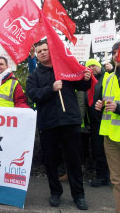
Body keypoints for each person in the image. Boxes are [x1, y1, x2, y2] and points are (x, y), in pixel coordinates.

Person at [26, 41, 91, 210]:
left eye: (45, 49)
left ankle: (79, 195)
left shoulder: (64, 67)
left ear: (51, 50)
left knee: (74, 160)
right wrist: (51, 88)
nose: (41, 53)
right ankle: (55, 192)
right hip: (48, 123)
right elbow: (33, 95)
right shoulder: (34, 75)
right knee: (51, 161)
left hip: (70, 121)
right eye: (39, 51)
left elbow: (81, 85)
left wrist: (86, 78)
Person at [95, 41, 120, 213]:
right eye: (114, 52)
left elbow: (119, 106)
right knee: (117, 180)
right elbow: (102, 106)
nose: (116, 55)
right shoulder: (109, 77)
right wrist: (99, 106)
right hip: (110, 137)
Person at [84, 59, 110, 187]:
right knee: (98, 150)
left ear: (99, 66)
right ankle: (102, 177)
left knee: (112, 151)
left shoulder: (107, 77)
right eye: (88, 66)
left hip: (108, 121)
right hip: (93, 124)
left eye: (93, 65)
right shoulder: (86, 82)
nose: (91, 68)